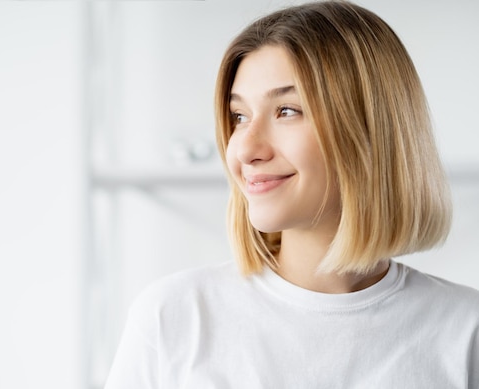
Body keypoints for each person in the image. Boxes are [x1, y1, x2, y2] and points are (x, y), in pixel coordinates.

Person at [104, 1, 479, 387]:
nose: (246, 150)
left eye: (287, 111)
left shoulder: (465, 331)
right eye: (239, 116)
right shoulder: (175, 317)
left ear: (370, 129)